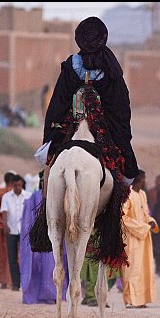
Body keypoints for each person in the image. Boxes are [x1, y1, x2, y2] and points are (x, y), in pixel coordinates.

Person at [41, 16, 139, 195]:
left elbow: (59, 101)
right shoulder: (111, 68)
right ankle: (117, 203)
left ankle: (46, 213)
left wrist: (51, 132)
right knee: (123, 166)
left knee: (50, 167)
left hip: (72, 121)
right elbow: (121, 106)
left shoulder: (72, 65)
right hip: (105, 126)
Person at [20, 188, 69, 304]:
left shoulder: (59, 194)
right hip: (41, 235)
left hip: (55, 236)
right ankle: (41, 294)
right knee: (39, 265)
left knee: (53, 264)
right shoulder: (34, 197)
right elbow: (28, 220)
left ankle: (53, 294)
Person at [121, 171, 158, 308]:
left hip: (144, 237)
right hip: (132, 237)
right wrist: (142, 226)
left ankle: (141, 300)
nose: (144, 182)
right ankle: (130, 300)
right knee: (132, 269)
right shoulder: (128, 195)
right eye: (143, 179)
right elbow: (123, 218)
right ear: (139, 180)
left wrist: (151, 221)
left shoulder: (142, 194)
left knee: (144, 268)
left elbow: (145, 214)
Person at [0, 173, 31, 291]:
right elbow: (4, 212)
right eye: (16, 185)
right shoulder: (6, 197)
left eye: (19, 185)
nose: (18, 187)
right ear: (12, 184)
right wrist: (5, 225)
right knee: (12, 257)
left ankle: (26, 283)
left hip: (25, 231)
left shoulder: (28, 196)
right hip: (11, 230)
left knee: (25, 257)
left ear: (21, 184)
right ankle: (16, 284)